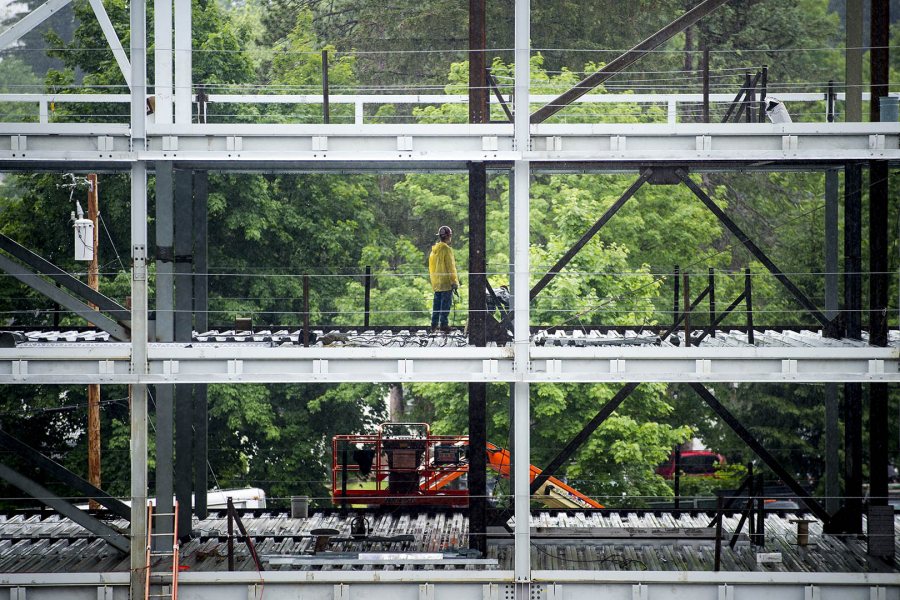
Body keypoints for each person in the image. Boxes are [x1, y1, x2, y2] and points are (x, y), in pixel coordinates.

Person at [428, 225, 459, 333]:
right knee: (445, 306)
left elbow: (431, 268)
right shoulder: (446, 249)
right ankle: (444, 325)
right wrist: (454, 282)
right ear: (449, 236)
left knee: (436, 306)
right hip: (446, 283)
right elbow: (451, 267)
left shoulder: (434, 250)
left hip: (437, 283)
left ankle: (433, 326)